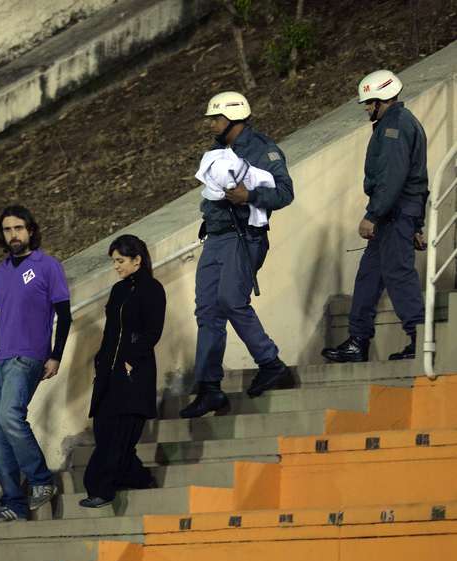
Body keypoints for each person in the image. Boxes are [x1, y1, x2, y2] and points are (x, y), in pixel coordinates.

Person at [180, 91, 294, 419]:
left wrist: (249, 196)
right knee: (207, 311)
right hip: (216, 236)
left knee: (231, 300)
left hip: (244, 236)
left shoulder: (262, 148)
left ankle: (271, 363)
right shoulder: (218, 150)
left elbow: (285, 192)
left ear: (234, 117)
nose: (211, 124)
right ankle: (209, 389)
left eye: (216, 118)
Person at [0, 205, 72, 523]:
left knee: (10, 417)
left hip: (28, 357)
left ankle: (40, 480)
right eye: (7, 229)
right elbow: (0, 318)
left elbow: (64, 314)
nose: (13, 234)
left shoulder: (48, 266)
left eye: (18, 228)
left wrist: (56, 355)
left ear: (30, 230)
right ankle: (14, 501)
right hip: (0, 361)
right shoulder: (2, 271)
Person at [322, 69, 428, 363]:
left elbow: (393, 178)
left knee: (398, 274)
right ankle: (358, 341)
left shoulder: (394, 126)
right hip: (395, 213)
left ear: (383, 100)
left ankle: (420, 338)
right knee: (368, 277)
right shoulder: (396, 123)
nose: (367, 108)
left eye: (370, 103)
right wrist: (416, 224)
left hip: (393, 213)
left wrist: (373, 214)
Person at [80, 235, 166, 508]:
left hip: (134, 373)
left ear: (137, 260)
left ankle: (100, 489)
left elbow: (153, 331)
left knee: (119, 435)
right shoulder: (118, 291)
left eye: (120, 260)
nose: (116, 266)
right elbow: (111, 332)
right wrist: (101, 362)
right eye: (114, 261)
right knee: (105, 431)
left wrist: (130, 359)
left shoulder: (152, 289)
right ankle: (139, 477)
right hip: (109, 372)